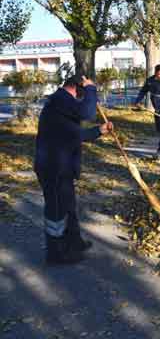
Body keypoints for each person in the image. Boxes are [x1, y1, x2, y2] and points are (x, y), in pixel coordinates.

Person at [34, 75, 113, 265]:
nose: (84, 97)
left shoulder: (63, 103)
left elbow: (76, 134)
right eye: (83, 92)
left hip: (63, 165)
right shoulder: (60, 100)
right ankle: (55, 254)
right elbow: (87, 113)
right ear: (77, 88)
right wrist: (91, 89)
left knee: (68, 205)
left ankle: (74, 242)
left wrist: (99, 131)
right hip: (52, 167)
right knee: (56, 210)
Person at [133, 64, 160, 160]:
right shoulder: (150, 81)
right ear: (155, 73)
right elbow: (143, 91)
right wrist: (137, 101)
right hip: (157, 111)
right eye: (158, 74)